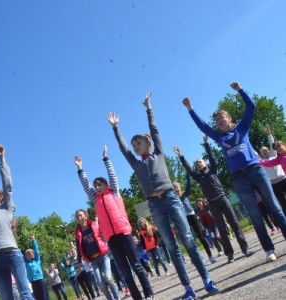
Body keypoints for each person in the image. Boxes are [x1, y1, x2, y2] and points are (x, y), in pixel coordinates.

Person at [107, 92, 218, 300]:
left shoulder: (158, 153)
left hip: (170, 198)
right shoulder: (136, 163)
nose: (135, 147)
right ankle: (188, 288)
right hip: (154, 204)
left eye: (138, 143)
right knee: (171, 245)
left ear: (148, 144)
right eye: (134, 145)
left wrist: (149, 109)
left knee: (187, 239)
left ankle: (206, 280)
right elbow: (123, 149)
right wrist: (116, 128)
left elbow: (154, 130)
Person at [182, 81, 286, 262]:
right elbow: (203, 126)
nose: (219, 121)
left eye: (222, 117)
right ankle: (269, 249)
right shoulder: (219, 137)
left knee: (274, 207)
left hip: (255, 170)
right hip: (239, 178)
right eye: (217, 120)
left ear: (230, 119)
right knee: (254, 214)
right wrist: (191, 109)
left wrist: (240, 90)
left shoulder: (242, 128)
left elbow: (251, 106)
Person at [74, 146, 154, 300]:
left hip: (124, 233)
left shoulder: (114, 192)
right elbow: (86, 186)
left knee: (136, 265)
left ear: (106, 185)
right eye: (95, 185)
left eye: (100, 184)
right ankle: (137, 297)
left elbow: (112, 175)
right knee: (125, 270)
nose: (97, 187)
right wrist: (80, 169)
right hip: (111, 238)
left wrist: (106, 159)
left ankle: (148, 293)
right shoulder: (95, 199)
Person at [173, 135, 254, 263]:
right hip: (212, 203)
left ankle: (245, 249)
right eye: (196, 163)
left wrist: (206, 144)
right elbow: (189, 170)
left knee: (235, 224)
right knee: (221, 228)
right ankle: (230, 254)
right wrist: (181, 156)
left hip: (222, 198)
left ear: (205, 163)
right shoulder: (198, 177)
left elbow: (211, 157)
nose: (198, 163)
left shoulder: (212, 170)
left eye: (200, 161)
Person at [0, 144, 33, 299]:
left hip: (12, 255)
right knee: (7, 298)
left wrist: (2, 159)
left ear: (0, 197)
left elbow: (7, 184)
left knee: (25, 293)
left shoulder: (6, 208)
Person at [74, 209, 120, 300]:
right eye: (77, 216)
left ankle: (117, 298)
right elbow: (79, 250)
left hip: (103, 256)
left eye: (81, 215)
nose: (79, 218)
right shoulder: (78, 234)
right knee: (101, 283)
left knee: (108, 278)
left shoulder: (94, 226)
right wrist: (79, 267)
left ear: (85, 216)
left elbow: (104, 235)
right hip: (93, 260)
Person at [172, 174, 217, 263]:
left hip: (191, 215)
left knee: (201, 236)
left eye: (177, 187)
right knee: (190, 238)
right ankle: (198, 258)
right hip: (183, 218)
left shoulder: (185, 194)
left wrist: (188, 175)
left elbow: (189, 184)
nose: (176, 189)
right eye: (174, 188)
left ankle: (210, 255)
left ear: (180, 187)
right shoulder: (173, 199)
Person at [256, 125, 286, 214]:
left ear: (269, 151)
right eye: (262, 151)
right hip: (274, 183)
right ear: (260, 154)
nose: (264, 151)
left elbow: (272, 143)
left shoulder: (274, 156)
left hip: (283, 179)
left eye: (265, 150)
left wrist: (269, 134)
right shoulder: (262, 161)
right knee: (282, 202)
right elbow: (254, 153)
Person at [24, 233, 50, 300]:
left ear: (33, 254)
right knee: (38, 297)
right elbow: (20, 255)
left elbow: (36, 250)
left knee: (44, 296)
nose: (28, 255)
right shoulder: (26, 263)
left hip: (40, 280)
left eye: (29, 253)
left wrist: (33, 240)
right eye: (26, 254)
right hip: (33, 282)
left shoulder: (36, 260)